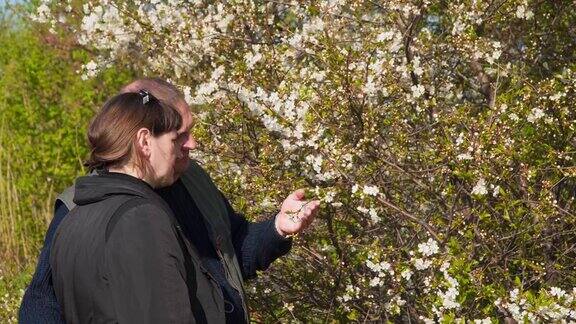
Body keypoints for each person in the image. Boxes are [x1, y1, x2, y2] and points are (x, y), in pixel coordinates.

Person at [19, 78, 321, 323]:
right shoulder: (85, 206)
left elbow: (232, 252)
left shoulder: (192, 179)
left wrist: (277, 229)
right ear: (144, 139)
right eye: (181, 134)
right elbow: (42, 301)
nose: (193, 143)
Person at [50, 90, 207, 323]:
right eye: (174, 140)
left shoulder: (73, 220)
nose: (181, 148)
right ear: (144, 142)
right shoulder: (140, 219)